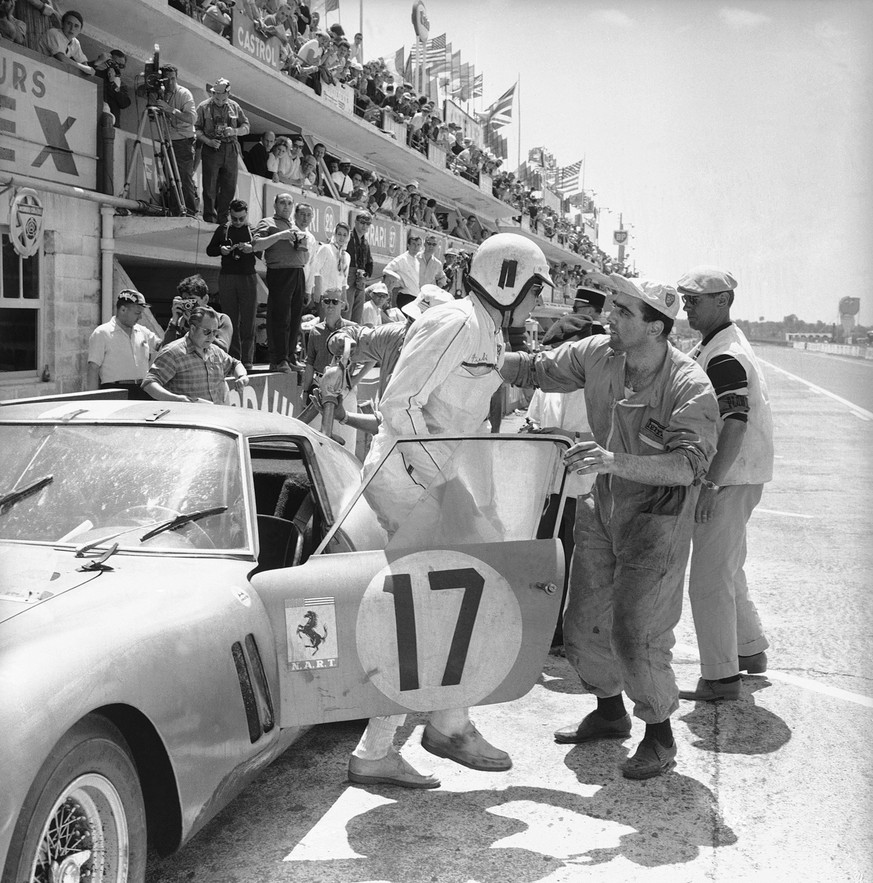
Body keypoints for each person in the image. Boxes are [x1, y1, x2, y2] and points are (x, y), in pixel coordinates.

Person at [347, 234, 554, 790]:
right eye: (535, 291)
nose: (537, 304)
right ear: (510, 281)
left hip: (431, 478)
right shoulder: (457, 323)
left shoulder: (485, 327)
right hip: (407, 477)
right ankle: (428, 733)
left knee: (452, 602)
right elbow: (399, 402)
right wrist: (439, 477)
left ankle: (438, 726)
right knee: (437, 608)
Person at [500, 274, 719, 780]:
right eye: (614, 308)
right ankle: (610, 711)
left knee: (636, 634)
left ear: (657, 329)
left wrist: (610, 461)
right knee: (581, 624)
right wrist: (482, 358)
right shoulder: (600, 354)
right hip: (603, 505)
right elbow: (536, 368)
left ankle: (660, 735)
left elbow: (689, 466)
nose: (610, 318)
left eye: (624, 313)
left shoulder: (689, 385)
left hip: (657, 518)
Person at [677, 267, 773, 701]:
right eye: (684, 298)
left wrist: (711, 485)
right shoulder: (721, 344)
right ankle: (748, 651)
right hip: (739, 475)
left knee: (709, 579)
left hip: (728, 477)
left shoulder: (724, 355)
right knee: (728, 567)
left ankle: (721, 677)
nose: (686, 307)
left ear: (722, 300)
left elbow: (734, 424)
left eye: (695, 299)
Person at [143, 307, 249, 404]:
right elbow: (149, 383)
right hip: (188, 420)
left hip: (216, 418)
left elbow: (235, 364)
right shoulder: (173, 352)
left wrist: (242, 376)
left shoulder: (215, 351)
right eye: (207, 332)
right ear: (193, 329)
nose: (212, 337)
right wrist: (177, 399)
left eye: (215, 332)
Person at [252, 192, 309, 373]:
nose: (286, 206)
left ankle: (290, 356)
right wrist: (279, 236)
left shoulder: (294, 225)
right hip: (279, 272)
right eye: (282, 202)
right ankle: (278, 359)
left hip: (298, 271)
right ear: (275, 205)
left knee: (294, 319)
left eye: (289, 203)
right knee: (279, 317)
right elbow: (255, 245)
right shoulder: (267, 222)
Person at [205, 199, 258, 367]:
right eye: (234, 218)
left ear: (246, 215)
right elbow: (209, 250)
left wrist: (252, 248)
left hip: (248, 277)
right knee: (230, 319)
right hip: (227, 277)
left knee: (249, 319)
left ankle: (247, 360)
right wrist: (221, 249)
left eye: (241, 219)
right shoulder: (223, 229)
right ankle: (234, 358)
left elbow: (264, 251)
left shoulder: (253, 230)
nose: (238, 222)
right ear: (229, 215)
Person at [86, 289, 160, 400]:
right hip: (115, 391)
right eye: (137, 313)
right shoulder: (102, 333)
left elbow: (164, 347)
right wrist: (91, 400)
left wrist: (175, 324)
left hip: (142, 390)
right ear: (123, 309)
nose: (140, 317)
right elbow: (93, 368)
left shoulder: (143, 331)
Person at [195, 77, 250, 224]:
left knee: (229, 186)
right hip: (212, 147)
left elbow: (246, 127)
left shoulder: (235, 107)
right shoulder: (203, 107)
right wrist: (208, 141)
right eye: (216, 98)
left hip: (230, 148)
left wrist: (234, 131)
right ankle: (209, 217)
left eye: (222, 99)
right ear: (213, 93)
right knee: (210, 185)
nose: (219, 101)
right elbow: (196, 129)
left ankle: (223, 219)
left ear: (228, 95)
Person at [152, 64, 198, 216]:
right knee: (170, 178)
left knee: (184, 178)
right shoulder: (162, 93)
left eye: (173, 79)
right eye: (167, 79)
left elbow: (191, 118)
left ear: (176, 78)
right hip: (167, 141)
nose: (170, 82)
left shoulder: (184, 93)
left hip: (183, 141)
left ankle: (190, 212)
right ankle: (175, 211)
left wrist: (170, 109)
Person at [162, 274, 233, 353]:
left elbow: (223, 350)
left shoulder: (221, 319)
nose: (189, 305)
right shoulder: (180, 321)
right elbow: (166, 350)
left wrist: (196, 325)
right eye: (185, 301)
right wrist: (173, 322)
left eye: (192, 301)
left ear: (205, 299)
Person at [540, 283, 607, 348]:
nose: (572, 312)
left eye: (575, 309)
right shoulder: (605, 336)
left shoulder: (575, 335)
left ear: (590, 311)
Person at [310, 221, 350, 315]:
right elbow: (315, 270)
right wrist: (317, 292)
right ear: (334, 234)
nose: (341, 237)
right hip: (324, 295)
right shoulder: (326, 248)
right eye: (339, 234)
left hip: (337, 298)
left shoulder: (346, 256)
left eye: (345, 235)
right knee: (322, 323)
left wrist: (344, 299)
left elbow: (344, 280)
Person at [38, 9, 93, 74]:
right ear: (62, 24)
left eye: (76, 26)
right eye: (69, 23)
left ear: (80, 30)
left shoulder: (75, 42)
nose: (72, 28)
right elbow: (61, 58)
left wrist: (87, 68)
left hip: (47, 70)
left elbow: (82, 61)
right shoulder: (54, 33)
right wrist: (83, 68)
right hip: (35, 63)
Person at [91, 49, 131, 128]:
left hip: (112, 125)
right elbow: (85, 71)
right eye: (115, 63)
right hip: (95, 118)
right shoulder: (99, 74)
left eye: (121, 66)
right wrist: (98, 61)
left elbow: (125, 103)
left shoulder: (122, 85)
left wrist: (112, 84)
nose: (118, 67)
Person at [346, 211, 374, 324]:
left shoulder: (365, 242)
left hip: (361, 278)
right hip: (348, 275)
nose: (365, 226)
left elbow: (370, 262)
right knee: (346, 311)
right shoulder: (348, 237)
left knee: (357, 312)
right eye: (362, 222)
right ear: (356, 222)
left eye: (368, 224)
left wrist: (366, 275)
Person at [382, 231, 422, 302]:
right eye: (413, 244)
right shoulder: (402, 259)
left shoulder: (418, 261)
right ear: (408, 245)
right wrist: (399, 280)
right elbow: (386, 270)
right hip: (405, 295)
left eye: (418, 245)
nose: (416, 247)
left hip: (415, 296)